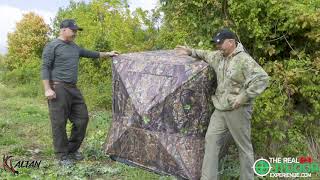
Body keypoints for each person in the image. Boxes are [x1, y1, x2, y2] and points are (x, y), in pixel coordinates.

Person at [175, 29, 269, 180]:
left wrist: (243, 97)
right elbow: (204, 54)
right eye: (216, 43)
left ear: (231, 42)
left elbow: (262, 79)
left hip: (238, 110)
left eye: (220, 43)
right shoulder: (219, 56)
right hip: (219, 109)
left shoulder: (244, 60)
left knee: (243, 148)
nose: (218, 46)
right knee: (211, 141)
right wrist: (190, 51)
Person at [41, 19, 119, 166]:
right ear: (63, 29)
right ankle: (62, 156)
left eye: (76, 30)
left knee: (82, 119)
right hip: (58, 87)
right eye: (73, 30)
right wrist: (47, 89)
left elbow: (91, 53)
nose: (75, 33)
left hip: (73, 88)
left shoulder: (74, 47)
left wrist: (108, 54)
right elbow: (45, 67)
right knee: (59, 122)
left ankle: (71, 150)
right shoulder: (52, 46)